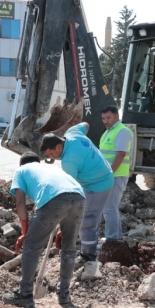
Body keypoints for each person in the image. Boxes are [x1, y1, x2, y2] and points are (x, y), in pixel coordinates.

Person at [2, 153, 86, 307]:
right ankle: (64, 294)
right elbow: (67, 199)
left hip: (54, 199)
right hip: (79, 198)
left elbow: (20, 202)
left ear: (22, 164)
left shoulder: (21, 171)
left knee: (31, 247)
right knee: (69, 248)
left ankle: (25, 294)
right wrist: (63, 227)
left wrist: (25, 231)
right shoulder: (49, 168)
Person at [40, 122, 113, 263]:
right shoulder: (72, 133)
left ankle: (88, 256)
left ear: (58, 146)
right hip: (95, 176)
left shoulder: (69, 161)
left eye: (52, 154)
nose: (52, 158)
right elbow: (86, 124)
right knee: (84, 215)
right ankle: (87, 243)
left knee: (87, 219)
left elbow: (69, 193)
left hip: (99, 183)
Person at [99, 105, 134, 241]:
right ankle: (116, 237)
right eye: (103, 118)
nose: (105, 121)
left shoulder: (122, 131)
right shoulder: (108, 131)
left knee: (109, 208)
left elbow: (121, 154)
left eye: (108, 118)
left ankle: (112, 239)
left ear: (116, 116)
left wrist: (109, 173)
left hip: (116, 175)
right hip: (110, 175)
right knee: (109, 208)